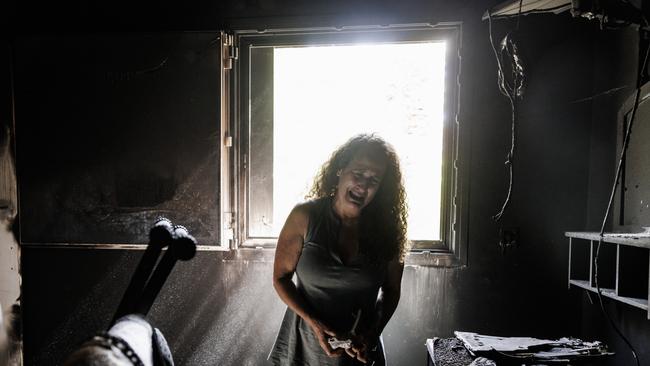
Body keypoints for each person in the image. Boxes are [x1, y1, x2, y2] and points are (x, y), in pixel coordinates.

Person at [269, 134, 409, 365]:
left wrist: (372, 333)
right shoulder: (304, 216)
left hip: (358, 354)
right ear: (340, 170)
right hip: (303, 349)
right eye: (359, 173)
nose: (363, 185)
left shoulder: (388, 232)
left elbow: (392, 290)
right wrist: (315, 323)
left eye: (374, 180)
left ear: (381, 189)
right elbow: (280, 278)